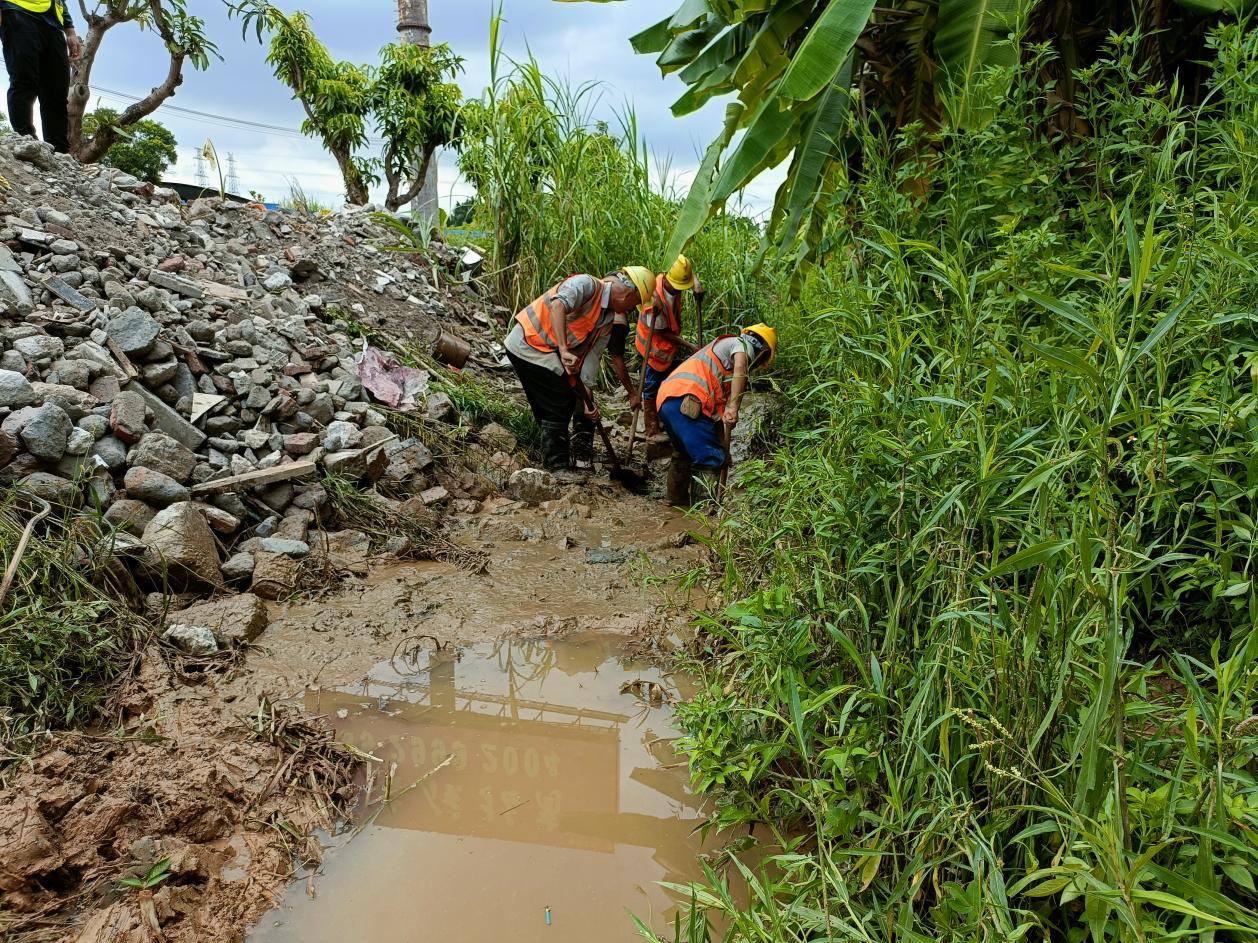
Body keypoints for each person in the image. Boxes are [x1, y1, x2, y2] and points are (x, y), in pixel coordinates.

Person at [505, 267, 654, 480]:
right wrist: (564, 350)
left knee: (558, 402)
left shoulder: (606, 320)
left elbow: (588, 361)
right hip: (527, 343)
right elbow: (558, 305)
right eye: (634, 306)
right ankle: (556, 468)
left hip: (544, 352)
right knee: (559, 402)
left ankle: (552, 457)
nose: (631, 311)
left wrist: (587, 401)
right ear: (629, 295)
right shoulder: (586, 284)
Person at [657, 323, 777, 506]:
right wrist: (734, 408)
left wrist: (723, 448)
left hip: (668, 400)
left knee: (684, 453)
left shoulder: (719, 363)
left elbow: (715, 419)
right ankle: (704, 513)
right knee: (709, 458)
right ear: (761, 353)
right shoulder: (741, 345)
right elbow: (741, 370)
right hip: (688, 399)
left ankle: (675, 500)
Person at [635, 254, 703, 441]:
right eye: (678, 287)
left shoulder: (673, 276)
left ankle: (663, 417)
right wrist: (689, 346)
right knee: (651, 386)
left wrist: (695, 282)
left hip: (666, 349)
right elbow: (662, 333)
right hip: (653, 349)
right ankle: (651, 429)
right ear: (666, 279)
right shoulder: (654, 303)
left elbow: (685, 271)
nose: (680, 291)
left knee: (667, 380)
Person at [0, 0, 82, 154]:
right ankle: (25, 140)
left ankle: (59, 151)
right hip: (17, 10)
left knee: (57, 92)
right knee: (24, 81)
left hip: (54, 25)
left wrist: (70, 31)